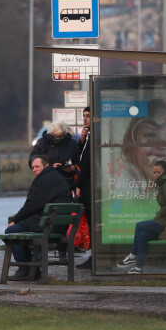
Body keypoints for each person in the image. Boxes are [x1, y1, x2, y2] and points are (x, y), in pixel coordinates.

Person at [5, 155, 72, 281]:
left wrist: (16, 220)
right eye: (33, 167)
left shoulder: (45, 179)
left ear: (46, 165)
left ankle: (26, 269)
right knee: (18, 228)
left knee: (11, 231)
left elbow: (32, 204)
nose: (34, 169)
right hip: (54, 222)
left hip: (49, 224)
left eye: (37, 166)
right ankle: (31, 269)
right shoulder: (53, 176)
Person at [116, 160, 166, 274]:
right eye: (154, 172)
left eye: (158, 172)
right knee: (142, 236)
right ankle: (138, 268)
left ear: (165, 172)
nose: (156, 175)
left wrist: (160, 214)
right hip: (164, 221)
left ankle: (132, 255)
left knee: (140, 226)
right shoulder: (163, 183)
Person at [30, 121, 78, 192]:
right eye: (56, 137)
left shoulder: (72, 143)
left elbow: (80, 161)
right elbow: (32, 162)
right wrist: (49, 167)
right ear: (50, 134)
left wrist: (74, 168)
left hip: (67, 182)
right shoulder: (41, 143)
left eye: (61, 137)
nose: (58, 139)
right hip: (46, 182)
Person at [74, 107, 93, 269]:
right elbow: (80, 158)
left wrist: (78, 185)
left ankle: (94, 254)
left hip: (89, 184)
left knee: (92, 218)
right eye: (84, 116)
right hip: (86, 182)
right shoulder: (87, 136)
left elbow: (86, 164)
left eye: (88, 116)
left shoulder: (95, 136)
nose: (85, 119)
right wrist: (81, 141)